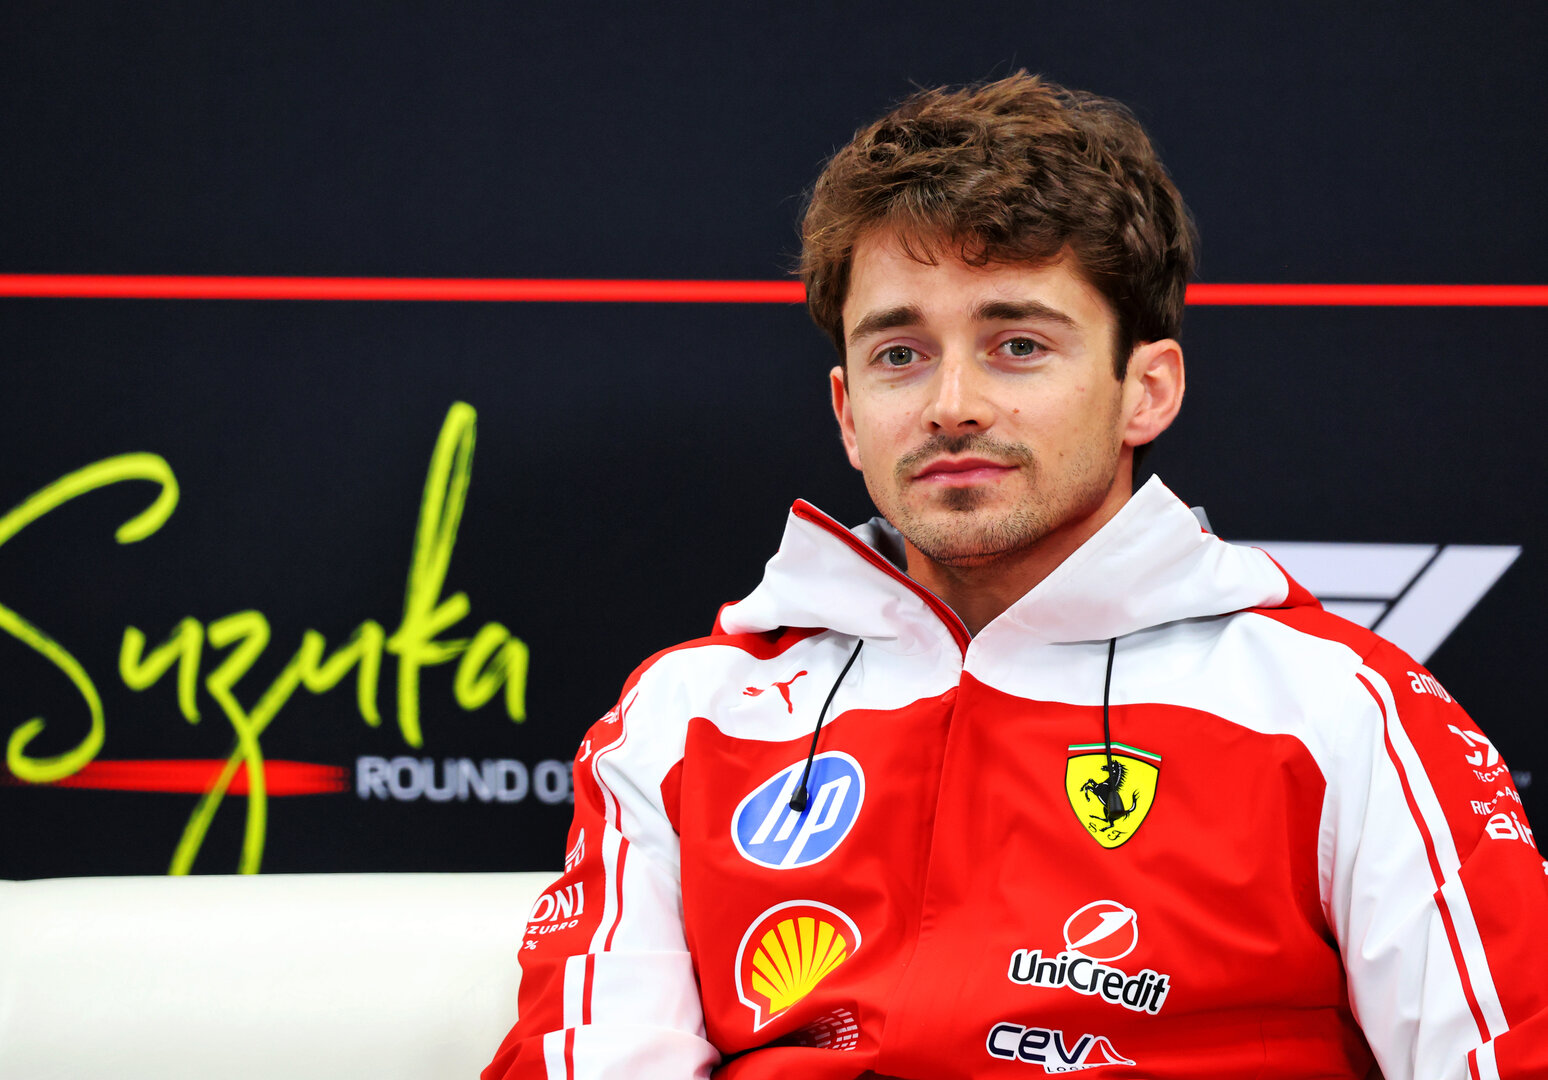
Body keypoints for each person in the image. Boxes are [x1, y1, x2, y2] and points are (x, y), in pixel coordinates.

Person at [484, 72, 1547, 1079]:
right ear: (849, 413)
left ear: (1148, 390)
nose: (952, 403)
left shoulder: (1339, 710)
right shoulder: (686, 717)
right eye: (900, 354)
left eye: (1018, 346)